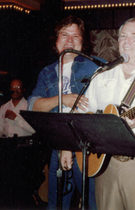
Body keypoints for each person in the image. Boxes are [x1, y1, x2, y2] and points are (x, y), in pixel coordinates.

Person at [64, 18, 135, 210]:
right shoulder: (101, 75)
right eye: (123, 36)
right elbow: (82, 111)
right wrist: (68, 146)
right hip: (104, 164)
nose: (127, 41)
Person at [27, 15, 106, 209]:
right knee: (55, 204)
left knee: (92, 203)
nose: (69, 40)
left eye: (75, 36)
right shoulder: (47, 72)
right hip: (58, 146)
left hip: (89, 148)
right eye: (64, 34)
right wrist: (62, 99)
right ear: (55, 41)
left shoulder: (96, 65)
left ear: (83, 43)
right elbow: (32, 105)